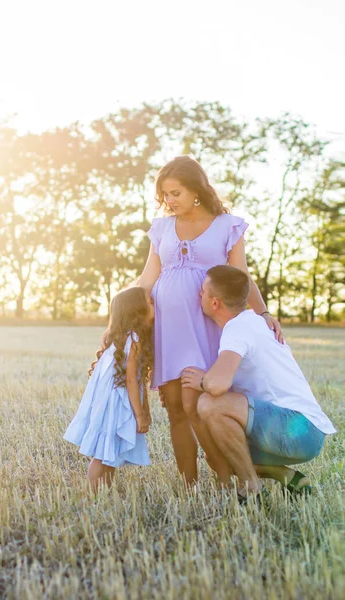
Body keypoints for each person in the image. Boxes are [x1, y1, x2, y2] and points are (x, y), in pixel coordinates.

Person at [137, 155, 283, 485]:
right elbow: (147, 278)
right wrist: (121, 316)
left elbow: (242, 277)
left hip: (206, 327)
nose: (169, 201)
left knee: (198, 406)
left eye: (175, 193)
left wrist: (263, 313)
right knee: (175, 408)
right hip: (169, 330)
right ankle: (189, 484)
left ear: (196, 191)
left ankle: (224, 479)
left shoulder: (226, 226)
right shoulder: (161, 228)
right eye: (165, 195)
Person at [181, 265, 337, 501]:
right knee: (218, 455)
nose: (199, 294)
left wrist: (201, 380)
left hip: (299, 429)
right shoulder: (252, 322)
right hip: (302, 432)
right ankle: (287, 477)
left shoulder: (238, 327)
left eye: (203, 291)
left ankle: (251, 490)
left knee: (209, 404)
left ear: (215, 303)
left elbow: (217, 386)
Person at [64, 287, 154, 492]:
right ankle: (93, 494)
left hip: (110, 399)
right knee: (102, 453)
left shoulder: (122, 339)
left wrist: (144, 408)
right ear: (137, 310)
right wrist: (139, 415)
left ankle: (102, 493)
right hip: (116, 401)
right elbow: (131, 380)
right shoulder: (135, 340)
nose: (155, 305)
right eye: (150, 302)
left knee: (108, 452)